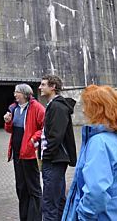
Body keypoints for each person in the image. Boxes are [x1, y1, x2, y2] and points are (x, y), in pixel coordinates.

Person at [62, 85, 117, 220]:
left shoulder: (99, 143)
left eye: (86, 105)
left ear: (96, 109)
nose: (84, 110)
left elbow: (96, 192)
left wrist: (83, 215)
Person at [3, 84, 44, 221]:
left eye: (17, 92)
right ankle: (25, 217)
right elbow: (10, 130)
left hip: (30, 153)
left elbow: (45, 127)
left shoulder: (37, 107)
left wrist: (33, 139)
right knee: (21, 187)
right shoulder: (13, 108)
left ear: (25, 94)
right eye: (15, 92)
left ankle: (36, 217)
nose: (15, 94)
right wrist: (8, 122)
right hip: (17, 153)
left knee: (33, 188)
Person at [38, 75, 77, 221]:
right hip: (53, 159)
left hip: (54, 160)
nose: (40, 87)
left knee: (49, 203)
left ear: (53, 87)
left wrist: (47, 155)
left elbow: (56, 136)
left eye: (43, 84)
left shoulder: (57, 106)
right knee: (58, 199)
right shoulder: (53, 105)